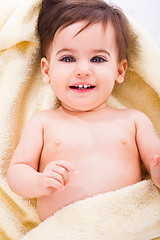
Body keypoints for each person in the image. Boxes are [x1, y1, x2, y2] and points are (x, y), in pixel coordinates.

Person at [7, 0, 160, 221]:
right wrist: (39, 182)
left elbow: (155, 162)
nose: (83, 70)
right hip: (65, 229)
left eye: (97, 59)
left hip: (126, 225)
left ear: (119, 70)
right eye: (68, 58)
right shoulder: (43, 122)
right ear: (47, 70)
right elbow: (17, 172)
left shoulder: (134, 120)